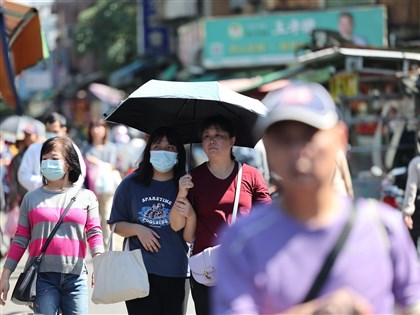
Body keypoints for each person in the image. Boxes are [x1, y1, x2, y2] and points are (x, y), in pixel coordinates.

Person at [213, 81, 420, 314]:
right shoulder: (242, 241)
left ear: (340, 139)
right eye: (284, 139)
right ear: (267, 148)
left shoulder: (384, 228)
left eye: (309, 135)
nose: (298, 151)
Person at [170, 115, 271, 315]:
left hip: (243, 265)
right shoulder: (192, 179)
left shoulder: (251, 175)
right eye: (206, 136)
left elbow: (267, 218)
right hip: (206, 268)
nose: (211, 140)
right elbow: (176, 225)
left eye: (218, 135)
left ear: (232, 141)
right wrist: (181, 193)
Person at [0, 136, 104, 314]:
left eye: (54, 159)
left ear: (69, 163)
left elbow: (94, 232)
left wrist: (100, 262)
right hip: (42, 278)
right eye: (44, 159)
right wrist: (6, 274)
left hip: (76, 277)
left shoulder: (87, 197)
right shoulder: (31, 198)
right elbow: (20, 239)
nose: (48, 163)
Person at [108, 126, 191, 315]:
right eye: (157, 146)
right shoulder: (130, 184)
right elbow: (115, 224)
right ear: (149, 150)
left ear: (178, 153)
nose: (163, 151)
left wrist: (182, 193)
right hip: (138, 272)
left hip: (176, 271)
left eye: (170, 148)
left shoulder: (186, 184)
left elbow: (182, 228)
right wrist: (139, 229)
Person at [18, 112, 86, 191]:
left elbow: (80, 174)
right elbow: (23, 175)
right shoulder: (34, 149)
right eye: (48, 131)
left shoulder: (72, 148)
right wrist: (45, 183)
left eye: (54, 131)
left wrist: (64, 187)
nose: (51, 134)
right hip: (40, 197)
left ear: (63, 130)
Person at [81, 118, 119, 244]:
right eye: (94, 127)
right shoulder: (85, 147)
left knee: (107, 216)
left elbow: (112, 165)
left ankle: (107, 245)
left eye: (100, 127)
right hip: (90, 189)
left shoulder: (111, 147)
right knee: (93, 218)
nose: (96, 130)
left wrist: (96, 162)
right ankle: (95, 245)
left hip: (107, 188)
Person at [401, 155, 420, 255]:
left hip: (417, 208)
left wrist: (407, 213)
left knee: (412, 244)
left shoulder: (416, 163)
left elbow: (411, 190)